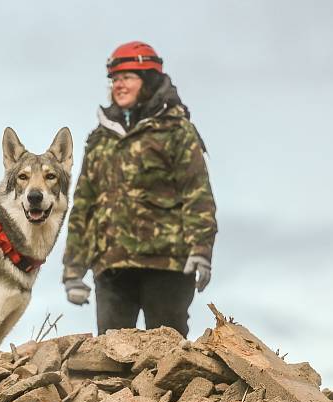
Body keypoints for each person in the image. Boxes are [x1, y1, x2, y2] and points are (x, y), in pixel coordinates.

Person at [62, 41, 217, 337]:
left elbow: (197, 194)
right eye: (115, 79)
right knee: (111, 362)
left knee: (165, 360)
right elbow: (84, 204)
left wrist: (201, 249)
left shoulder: (177, 131)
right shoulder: (99, 139)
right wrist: (73, 269)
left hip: (168, 265)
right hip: (111, 266)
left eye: (127, 78)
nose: (119, 85)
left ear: (148, 80)